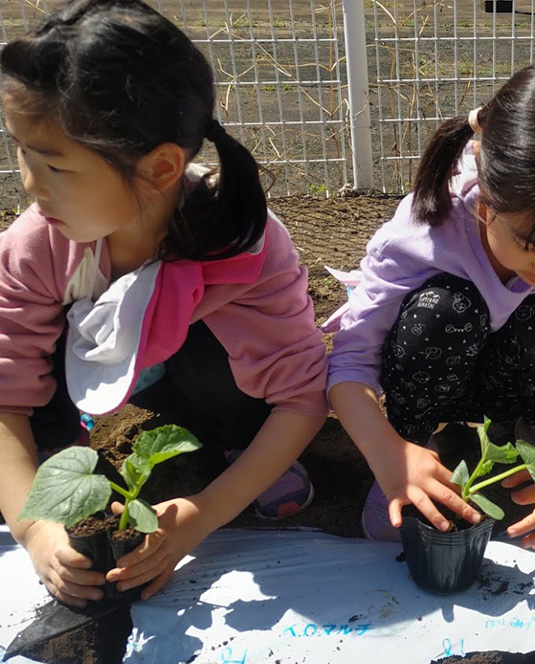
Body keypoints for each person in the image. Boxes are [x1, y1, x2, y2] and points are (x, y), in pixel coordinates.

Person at [0, 0, 329, 607]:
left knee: (222, 362)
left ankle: (238, 445)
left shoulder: (241, 246)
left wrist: (205, 512)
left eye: (54, 165)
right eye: (22, 152)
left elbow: (302, 396)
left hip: (211, 384)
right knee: (34, 413)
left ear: (159, 168)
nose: (29, 184)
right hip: (123, 382)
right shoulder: (36, 244)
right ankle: (62, 460)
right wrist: (34, 526)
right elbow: (5, 390)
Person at [326, 57, 535, 549]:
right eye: (530, 244)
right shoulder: (428, 230)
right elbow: (351, 359)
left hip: (517, 382)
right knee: (443, 309)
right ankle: (418, 442)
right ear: (486, 197)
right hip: (433, 375)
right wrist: (387, 452)